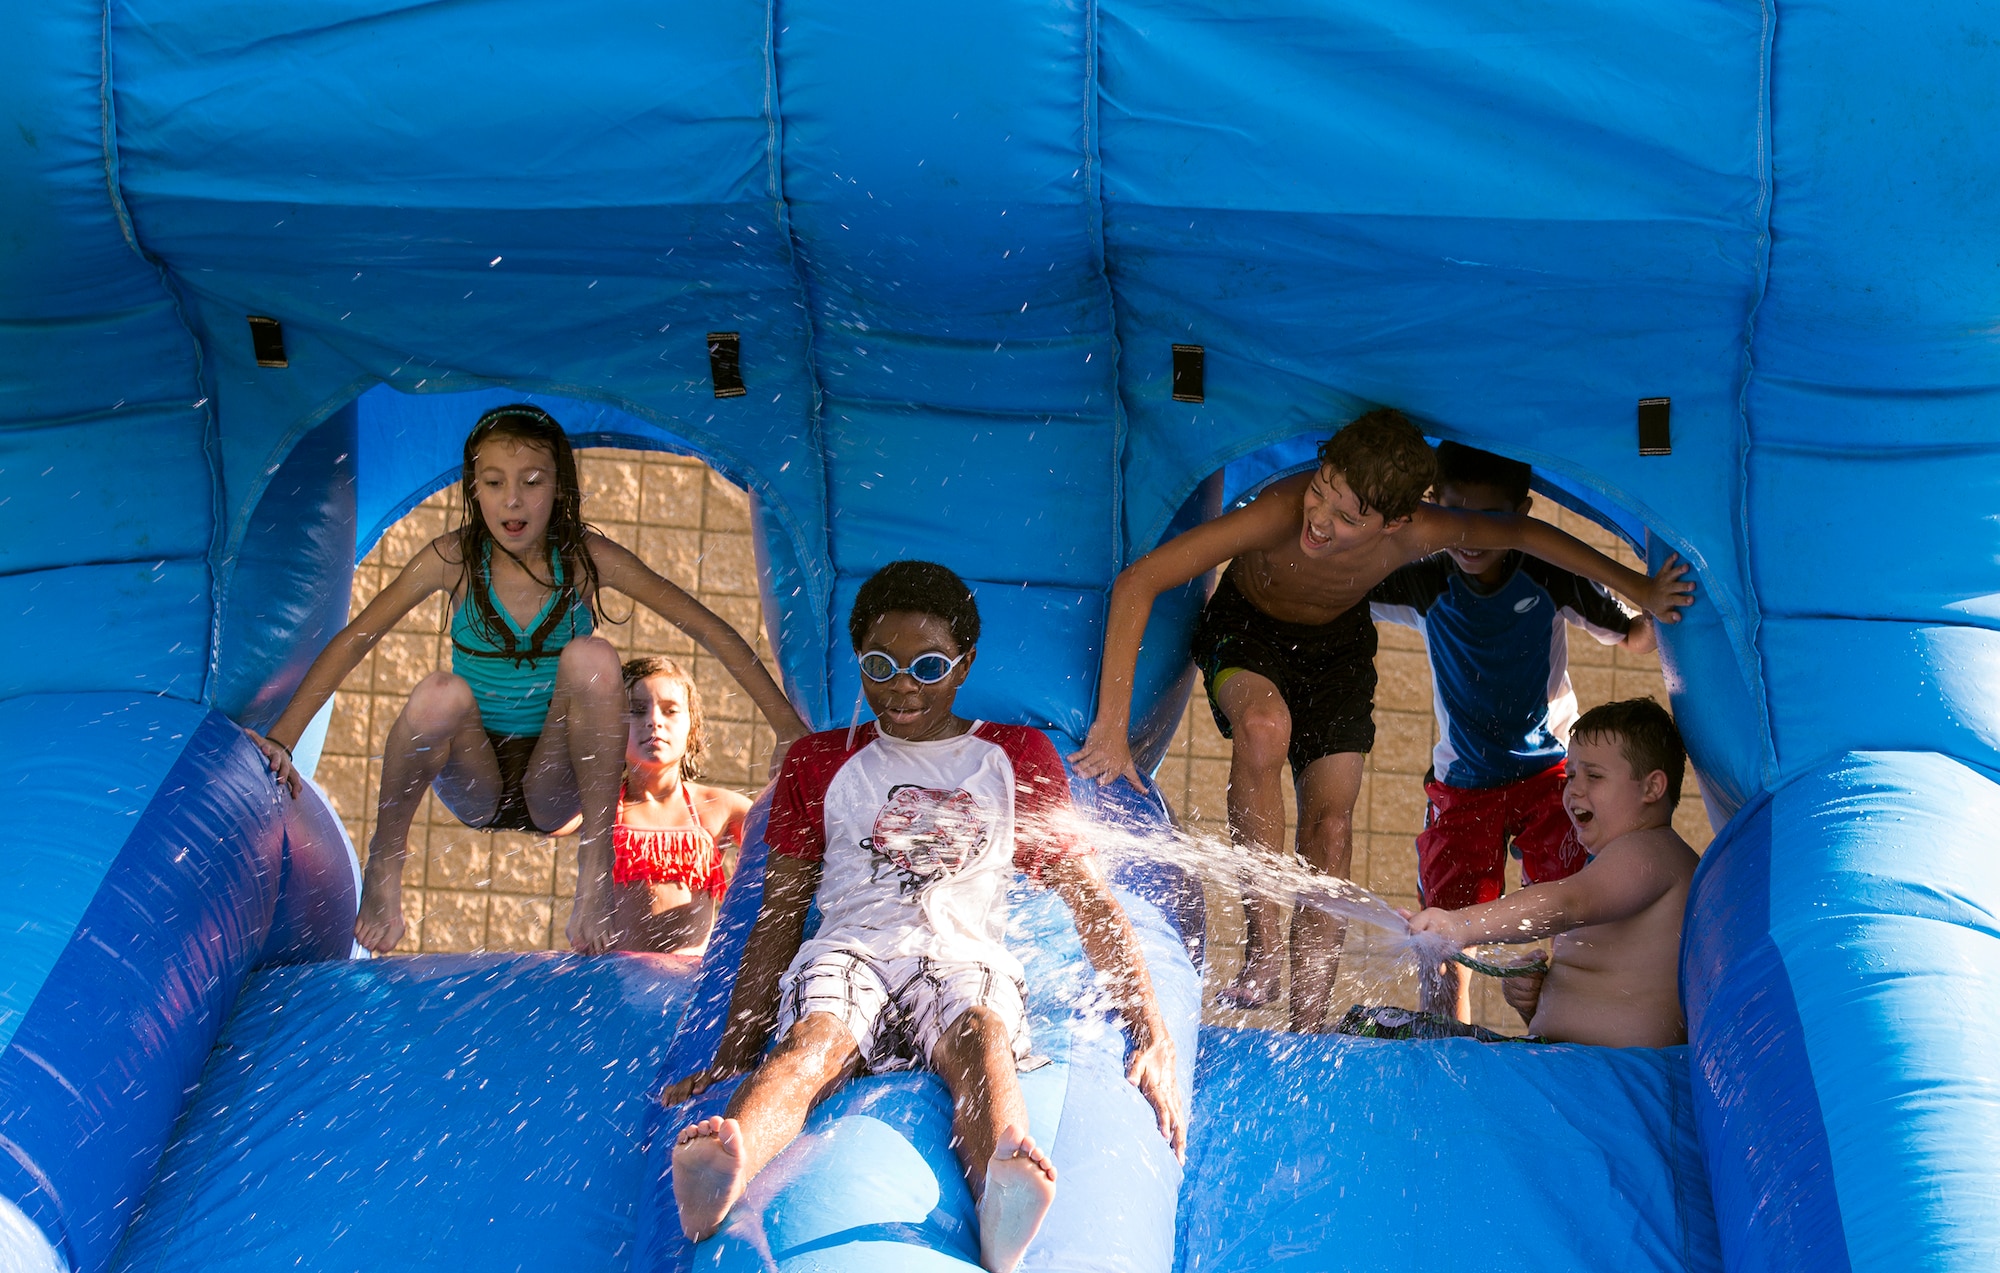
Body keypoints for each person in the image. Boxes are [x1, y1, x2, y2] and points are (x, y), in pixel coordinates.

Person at [1070, 409, 1693, 1032]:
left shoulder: (1422, 534)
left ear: (1397, 521)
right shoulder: (1282, 510)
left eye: (1348, 517)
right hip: (1250, 629)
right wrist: (1112, 726)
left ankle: (1307, 1026)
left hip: (1336, 650)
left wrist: (1640, 589)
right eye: (1321, 493)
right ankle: (1262, 949)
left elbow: (1527, 536)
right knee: (1264, 728)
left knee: (1333, 828)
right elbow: (1139, 582)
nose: (1321, 521)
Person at [659, 561, 1183, 1273]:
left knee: (980, 1033)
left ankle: (1003, 1183)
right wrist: (732, 1050)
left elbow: (1088, 898)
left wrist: (1150, 1028)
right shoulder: (821, 761)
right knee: (814, 1042)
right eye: (881, 664)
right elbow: (778, 920)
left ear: (964, 665)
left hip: (964, 954)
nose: (902, 684)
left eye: (928, 665)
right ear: (860, 660)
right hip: (852, 950)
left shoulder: (1014, 754)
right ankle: (731, 1159)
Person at [245, 405, 806, 955]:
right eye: (493, 482)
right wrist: (284, 737)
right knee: (441, 692)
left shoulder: (586, 559)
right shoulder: (453, 560)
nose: (512, 500)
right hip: (477, 776)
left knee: (591, 655)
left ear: (558, 488)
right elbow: (354, 638)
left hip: (555, 777)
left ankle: (595, 871)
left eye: (531, 482)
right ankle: (385, 861)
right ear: (474, 490)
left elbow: (708, 628)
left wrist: (786, 725)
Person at [1369, 441, 1658, 1021]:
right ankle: (1444, 1039)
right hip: (1464, 782)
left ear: (1524, 513)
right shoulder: (1425, 581)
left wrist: (1670, 603)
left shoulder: (1551, 576)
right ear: (1434, 507)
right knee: (1443, 936)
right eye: (1456, 514)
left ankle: (1573, 1034)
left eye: (1492, 518)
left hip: (1551, 776)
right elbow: (1338, 588)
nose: (1472, 536)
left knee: (1581, 911)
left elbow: (1634, 636)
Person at [1405, 697, 1698, 1047]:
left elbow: (1568, 902)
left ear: (1652, 788)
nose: (1573, 788)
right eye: (1571, 774)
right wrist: (1534, 1001)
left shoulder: (1651, 850)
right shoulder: (1620, 866)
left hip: (1612, 1076)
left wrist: (1460, 926)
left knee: (1393, 1034)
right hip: (1584, 1068)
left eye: (1594, 776)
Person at [608, 656, 749, 954]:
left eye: (671, 711)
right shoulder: (601, 808)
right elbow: (549, 821)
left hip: (690, 983)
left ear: (692, 728)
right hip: (615, 982)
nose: (654, 721)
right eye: (636, 710)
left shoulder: (717, 808)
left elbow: (786, 840)